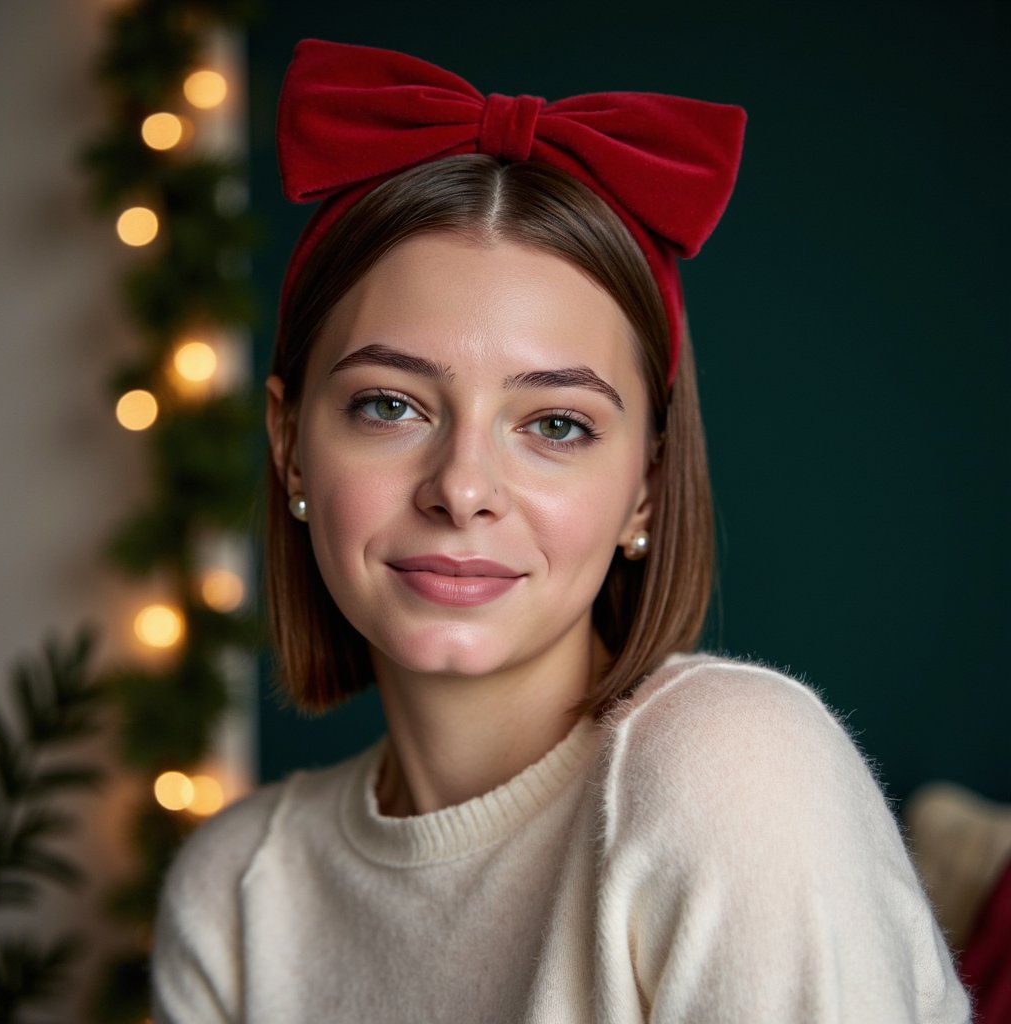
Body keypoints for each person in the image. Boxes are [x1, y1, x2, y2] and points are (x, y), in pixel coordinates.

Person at [152, 40, 971, 1023]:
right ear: (289, 444)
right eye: (389, 405)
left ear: (645, 488)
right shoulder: (232, 888)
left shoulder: (735, 768)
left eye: (555, 424)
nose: (461, 489)